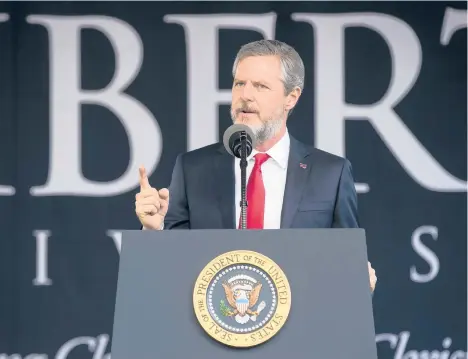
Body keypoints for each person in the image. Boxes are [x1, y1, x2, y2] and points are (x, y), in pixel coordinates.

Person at [135, 39, 377, 292]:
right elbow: (172, 271)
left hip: (301, 326)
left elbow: (345, 265)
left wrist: (357, 287)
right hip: (213, 323)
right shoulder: (193, 168)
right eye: (239, 83)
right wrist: (154, 231)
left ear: (291, 98)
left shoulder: (331, 174)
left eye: (260, 86)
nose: (245, 95)